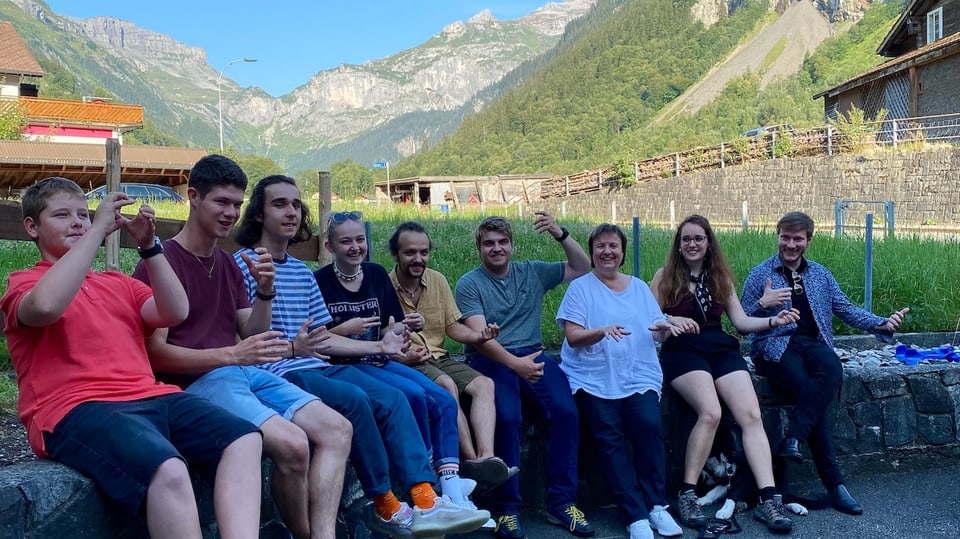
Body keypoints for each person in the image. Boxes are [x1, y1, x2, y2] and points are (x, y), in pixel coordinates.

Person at [0, 177, 262, 539]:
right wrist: (97, 233)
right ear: (32, 226)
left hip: (151, 395)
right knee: (168, 469)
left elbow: (174, 311)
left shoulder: (117, 283)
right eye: (62, 215)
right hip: (73, 409)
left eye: (83, 215)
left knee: (244, 438)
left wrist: (151, 247)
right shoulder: (25, 283)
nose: (77, 222)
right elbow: (45, 306)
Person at [231, 175, 490, 536]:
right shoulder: (240, 265)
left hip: (318, 365)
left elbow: (323, 341)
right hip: (278, 371)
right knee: (356, 401)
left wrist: (381, 346)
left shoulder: (303, 274)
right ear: (258, 213)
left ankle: (427, 499)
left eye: (295, 204)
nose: (291, 212)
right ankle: (385, 505)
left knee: (395, 397)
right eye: (279, 204)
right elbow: (248, 335)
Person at [134, 155, 352, 539]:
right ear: (194, 197)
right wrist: (231, 355)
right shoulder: (162, 261)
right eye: (221, 202)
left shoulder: (227, 262)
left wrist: (265, 291)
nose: (231, 213)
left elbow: (251, 332)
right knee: (293, 444)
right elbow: (155, 355)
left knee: (337, 428)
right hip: (196, 382)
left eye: (237, 204)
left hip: (241, 373)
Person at [314, 210, 498, 517]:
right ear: (330, 246)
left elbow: (391, 326)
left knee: (442, 399)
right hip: (346, 365)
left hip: (380, 360)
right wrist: (344, 330)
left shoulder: (373, 275)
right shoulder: (319, 281)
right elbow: (316, 339)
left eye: (360, 239)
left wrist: (403, 327)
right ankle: (427, 486)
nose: (355, 247)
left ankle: (451, 486)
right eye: (345, 241)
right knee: (412, 395)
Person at [741, 211, 909, 516]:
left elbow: (845, 308)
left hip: (812, 344)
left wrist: (881, 324)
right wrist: (761, 306)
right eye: (785, 237)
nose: (791, 244)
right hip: (774, 345)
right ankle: (835, 485)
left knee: (832, 368)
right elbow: (741, 322)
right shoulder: (760, 274)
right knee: (810, 392)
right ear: (777, 236)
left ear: (808, 240)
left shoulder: (819, 274)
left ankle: (793, 438)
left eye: (797, 239)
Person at [650, 215, 799, 533]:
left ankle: (768, 498)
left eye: (698, 239)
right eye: (686, 239)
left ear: (708, 243)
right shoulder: (664, 277)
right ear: (678, 244)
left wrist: (774, 321)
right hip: (683, 351)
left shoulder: (720, 278)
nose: (692, 244)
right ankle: (687, 493)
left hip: (720, 347)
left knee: (751, 415)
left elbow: (741, 323)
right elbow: (647, 321)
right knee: (711, 412)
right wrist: (669, 319)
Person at [455, 213, 595, 539]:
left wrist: (561, 233)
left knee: (565, 412)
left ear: (512, 245)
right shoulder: (469, 284)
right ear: (479, 247)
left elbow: (581, 266)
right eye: (489, 243)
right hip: (490, 358)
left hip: (533, 353)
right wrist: (514, 365)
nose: (497, 248)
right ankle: (507, 508)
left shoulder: (532, 271)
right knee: (506, 417)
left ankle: (561, 503)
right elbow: (481, 338)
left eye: (503, 242)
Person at [556, 223, 684, 539]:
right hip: (592, 377)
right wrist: (600, 330)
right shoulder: (581, 288)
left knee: (648, 427)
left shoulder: (639, 287)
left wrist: (668, 328)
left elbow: (654, 328)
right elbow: (572, 337)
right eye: (600, 246)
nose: (607, 252)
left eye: (613, 246)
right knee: (609, 437)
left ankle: (656, 505)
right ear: (592, 251)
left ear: (622, 251)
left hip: (637, 373)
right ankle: (634, 514)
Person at [388, 221, 514, 484]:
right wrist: (404, 354)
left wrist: (478, 336)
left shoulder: (437, 280)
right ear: (396, 254)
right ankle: (471, 461)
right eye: (410, 253)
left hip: (440, 356)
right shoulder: (384, 285)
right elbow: (380, 338)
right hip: (409, 360)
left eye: (424, 252)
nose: (418, 258)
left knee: (484, 384)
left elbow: (452, 327)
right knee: (447, 385)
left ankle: (488, 457)